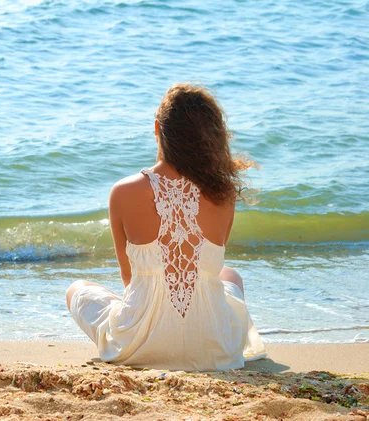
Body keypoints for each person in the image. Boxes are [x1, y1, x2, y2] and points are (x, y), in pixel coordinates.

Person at [66, 83, 266, 371]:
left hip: (139, 344)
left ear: (158, 128)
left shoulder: (123, 191)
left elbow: (129, 281)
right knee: (229, 275)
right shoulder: (223, 194)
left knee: (77, 289)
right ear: (210, 136)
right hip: (214, 347)